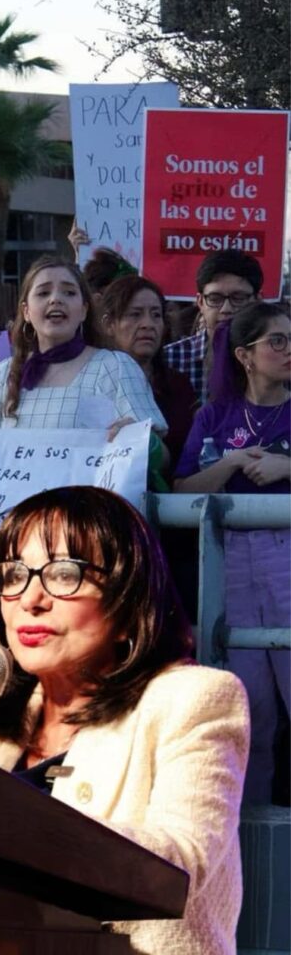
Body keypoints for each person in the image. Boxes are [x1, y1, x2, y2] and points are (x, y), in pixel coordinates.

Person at [0, 485, 249, 955]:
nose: (31, 598)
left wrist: (17, 831)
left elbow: (181, 866)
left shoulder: (193, 698)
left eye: (64, 574)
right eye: (13, 574)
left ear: (127, 602)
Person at [174, 302, 290, 804]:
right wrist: (233, 462)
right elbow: (181, 488)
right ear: (244, 355)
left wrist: (287, 467)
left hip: (286, 559)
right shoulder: (215, 415)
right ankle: (252, 829)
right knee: (250, 711)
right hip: (228, 563)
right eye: (277, 341)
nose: (289, 350)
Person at [0, 256, 165, 434]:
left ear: (84, 310)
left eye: (69, 293)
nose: (56, 299)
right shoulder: (5, 373)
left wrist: (137, 438)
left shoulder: (115, 366)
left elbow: (159, 448)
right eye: (43, 293)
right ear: (26, 312)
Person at [100, 275, 196, 469]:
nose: (148, 324)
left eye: (156, 315)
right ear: (109, 324)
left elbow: (187, 459)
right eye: (135, 315)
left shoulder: (178, 385)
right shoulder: (91, 382)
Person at [164, 250, 263, 403]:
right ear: (200, 302)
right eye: (215, 299)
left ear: (257, 301)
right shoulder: (170, 358)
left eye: (238, 298)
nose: (226, 309)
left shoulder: (278, 359)